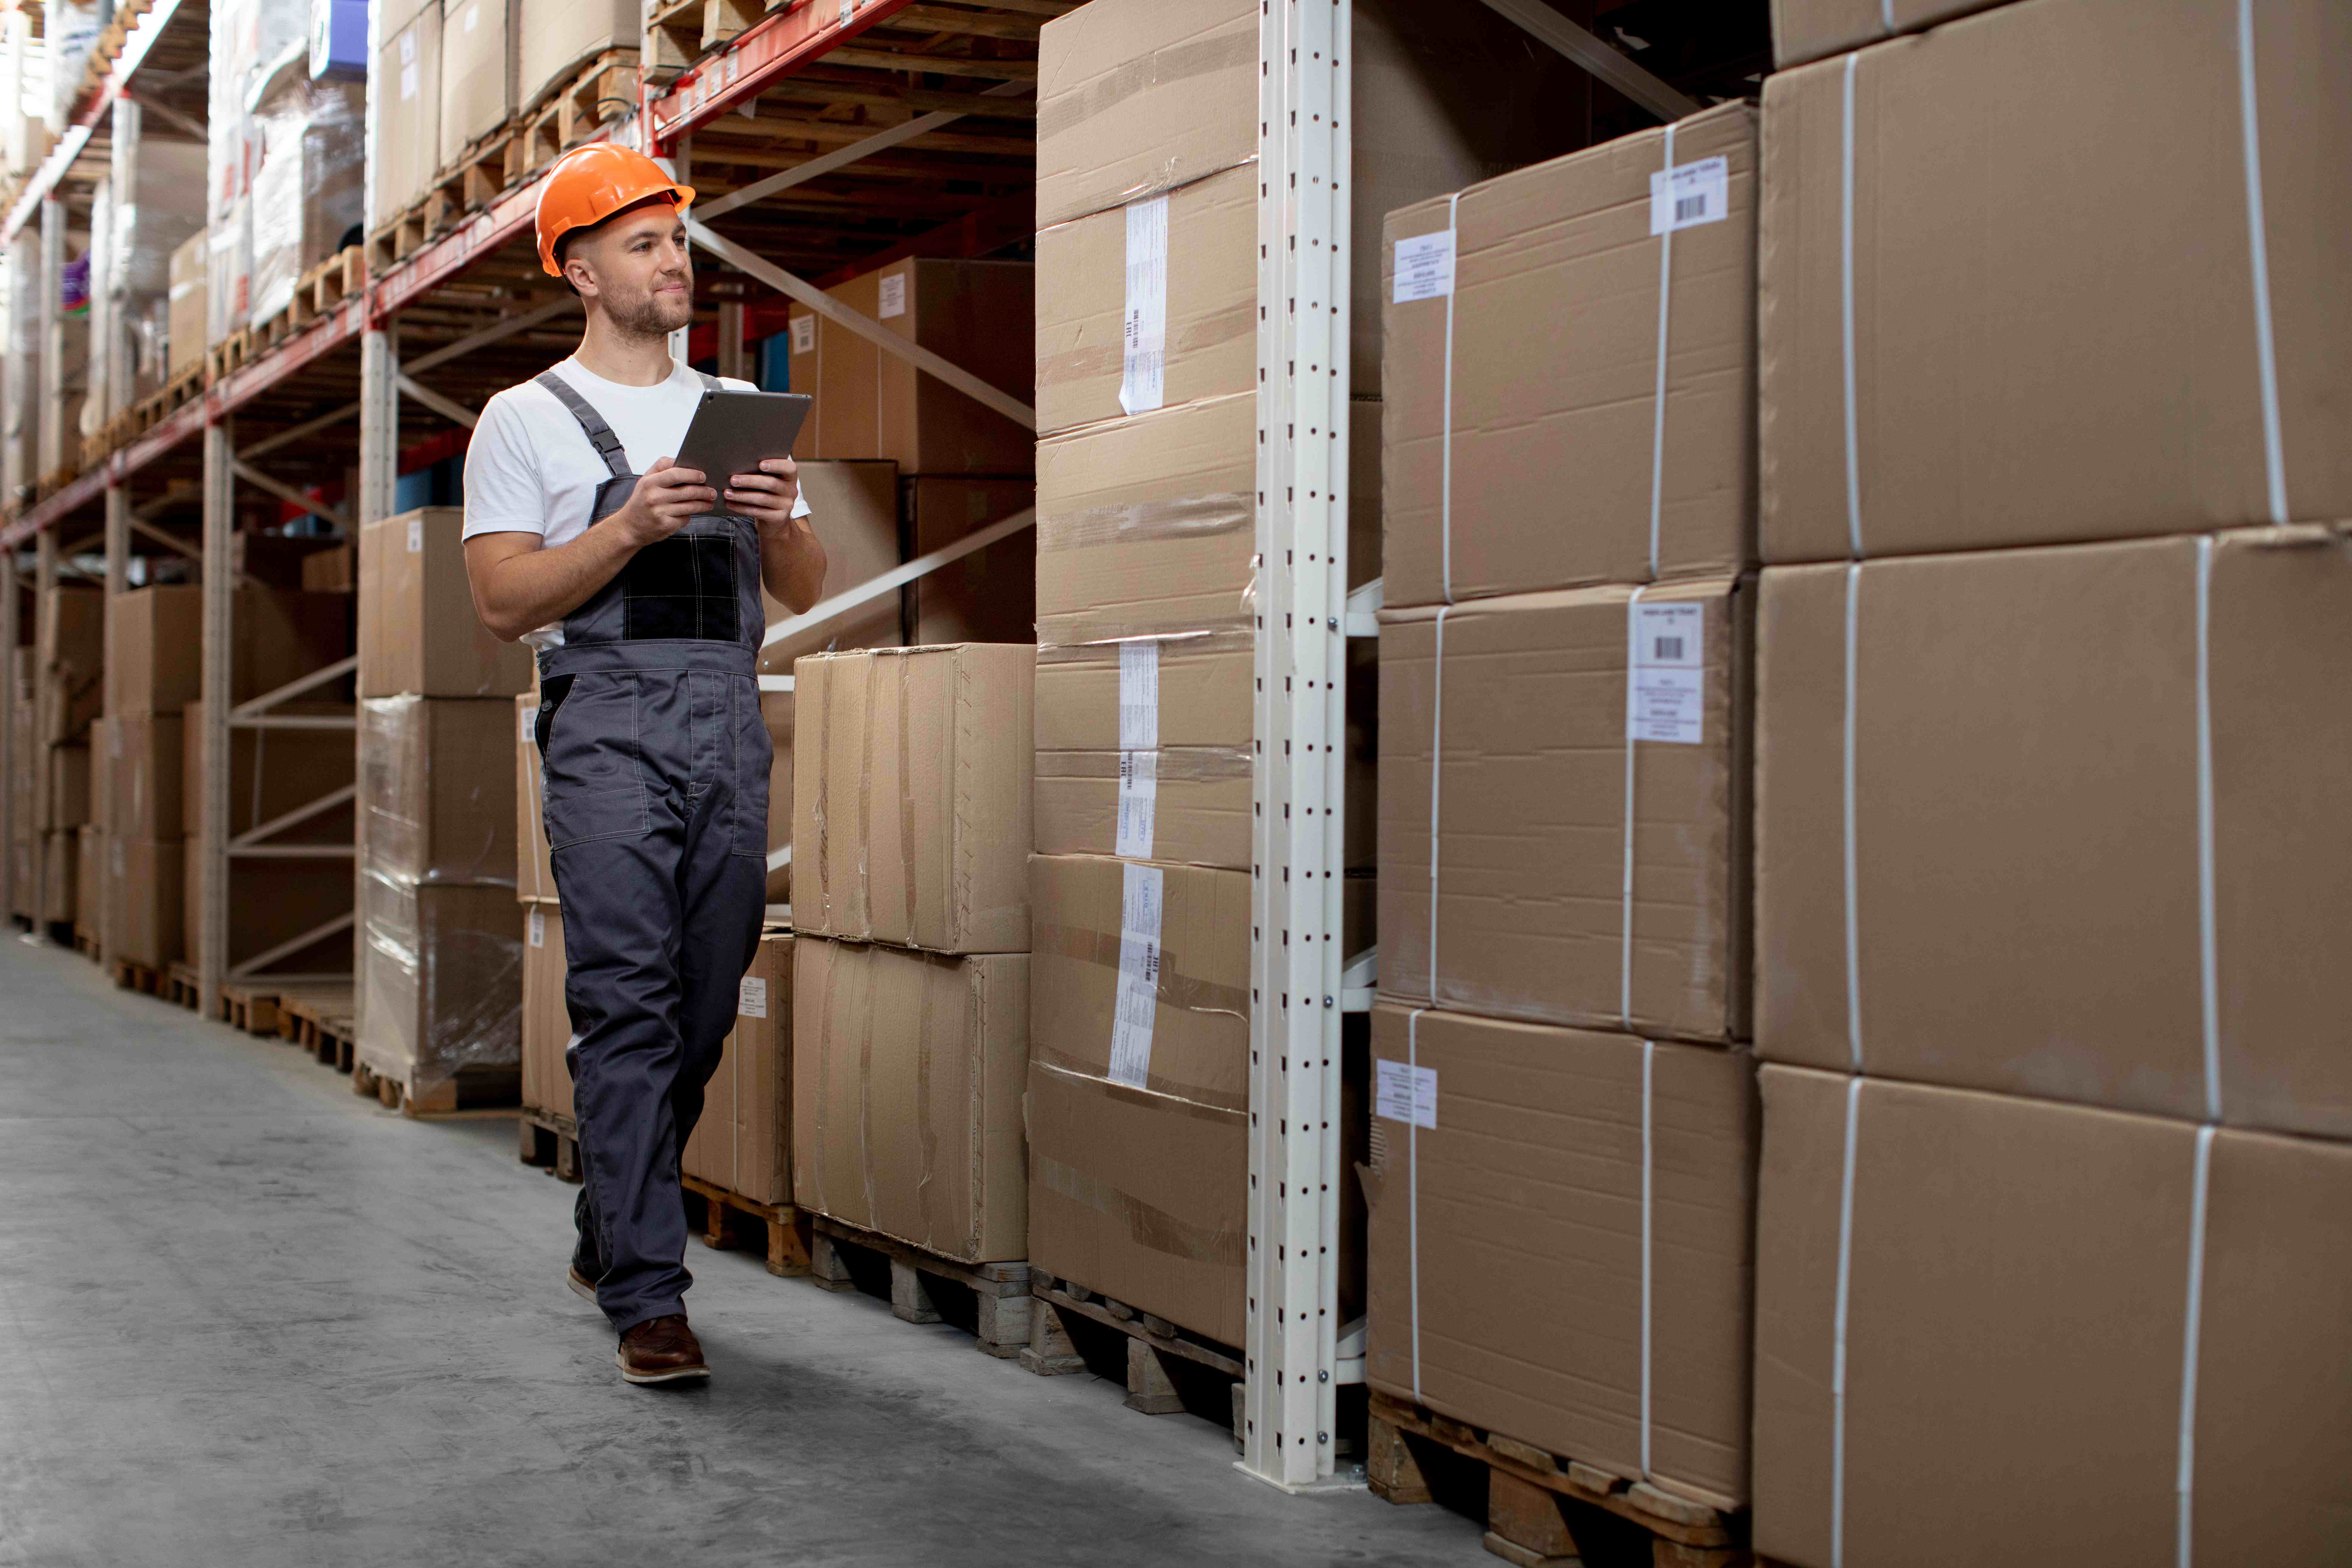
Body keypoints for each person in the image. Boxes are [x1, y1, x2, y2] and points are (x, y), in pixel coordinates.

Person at [461, 143, 826, 1385]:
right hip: (607, 725)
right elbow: (504, 605)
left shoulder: (734, 410)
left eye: (677, 241)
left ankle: (606, 1218)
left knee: (706, 998)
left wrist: (778, 524)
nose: (674, 262)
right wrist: (626, 524)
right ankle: (649, 1296)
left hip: (727, 721)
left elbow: (810, 586)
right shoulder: (523, 420)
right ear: (578, 269)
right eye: (644, 243)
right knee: (627, 999)